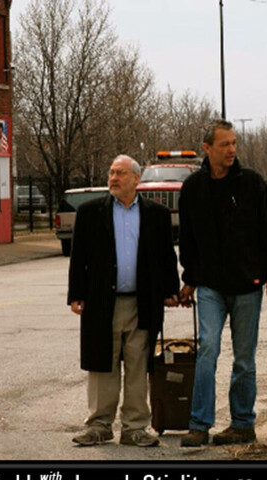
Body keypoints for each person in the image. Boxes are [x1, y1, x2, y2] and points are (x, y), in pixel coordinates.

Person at [177, 119, 267, 447]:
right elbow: (189, 241)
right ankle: (199, 424)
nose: (231, 150)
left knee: (244, 358)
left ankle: (242, 423)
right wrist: (190, 278)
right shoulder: (193, 189)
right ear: (208, 148)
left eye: (234, 143)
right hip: (211, 287)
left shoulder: (251, 184)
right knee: (207, 350)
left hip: (247, 286)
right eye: (225, 144)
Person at [68, 154, 180, 447]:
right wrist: (76, 294)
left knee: (137, 364)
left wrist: (171, 289)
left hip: (142, 302)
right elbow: (78, 258)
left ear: (136, 179)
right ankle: (99, 425)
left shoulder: (155, 214)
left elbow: (167, 256)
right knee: (101, 365)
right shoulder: (91, 213)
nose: (113, 179)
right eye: (111, 172)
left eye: (120, 173)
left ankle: (134, 427)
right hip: (101, 302)